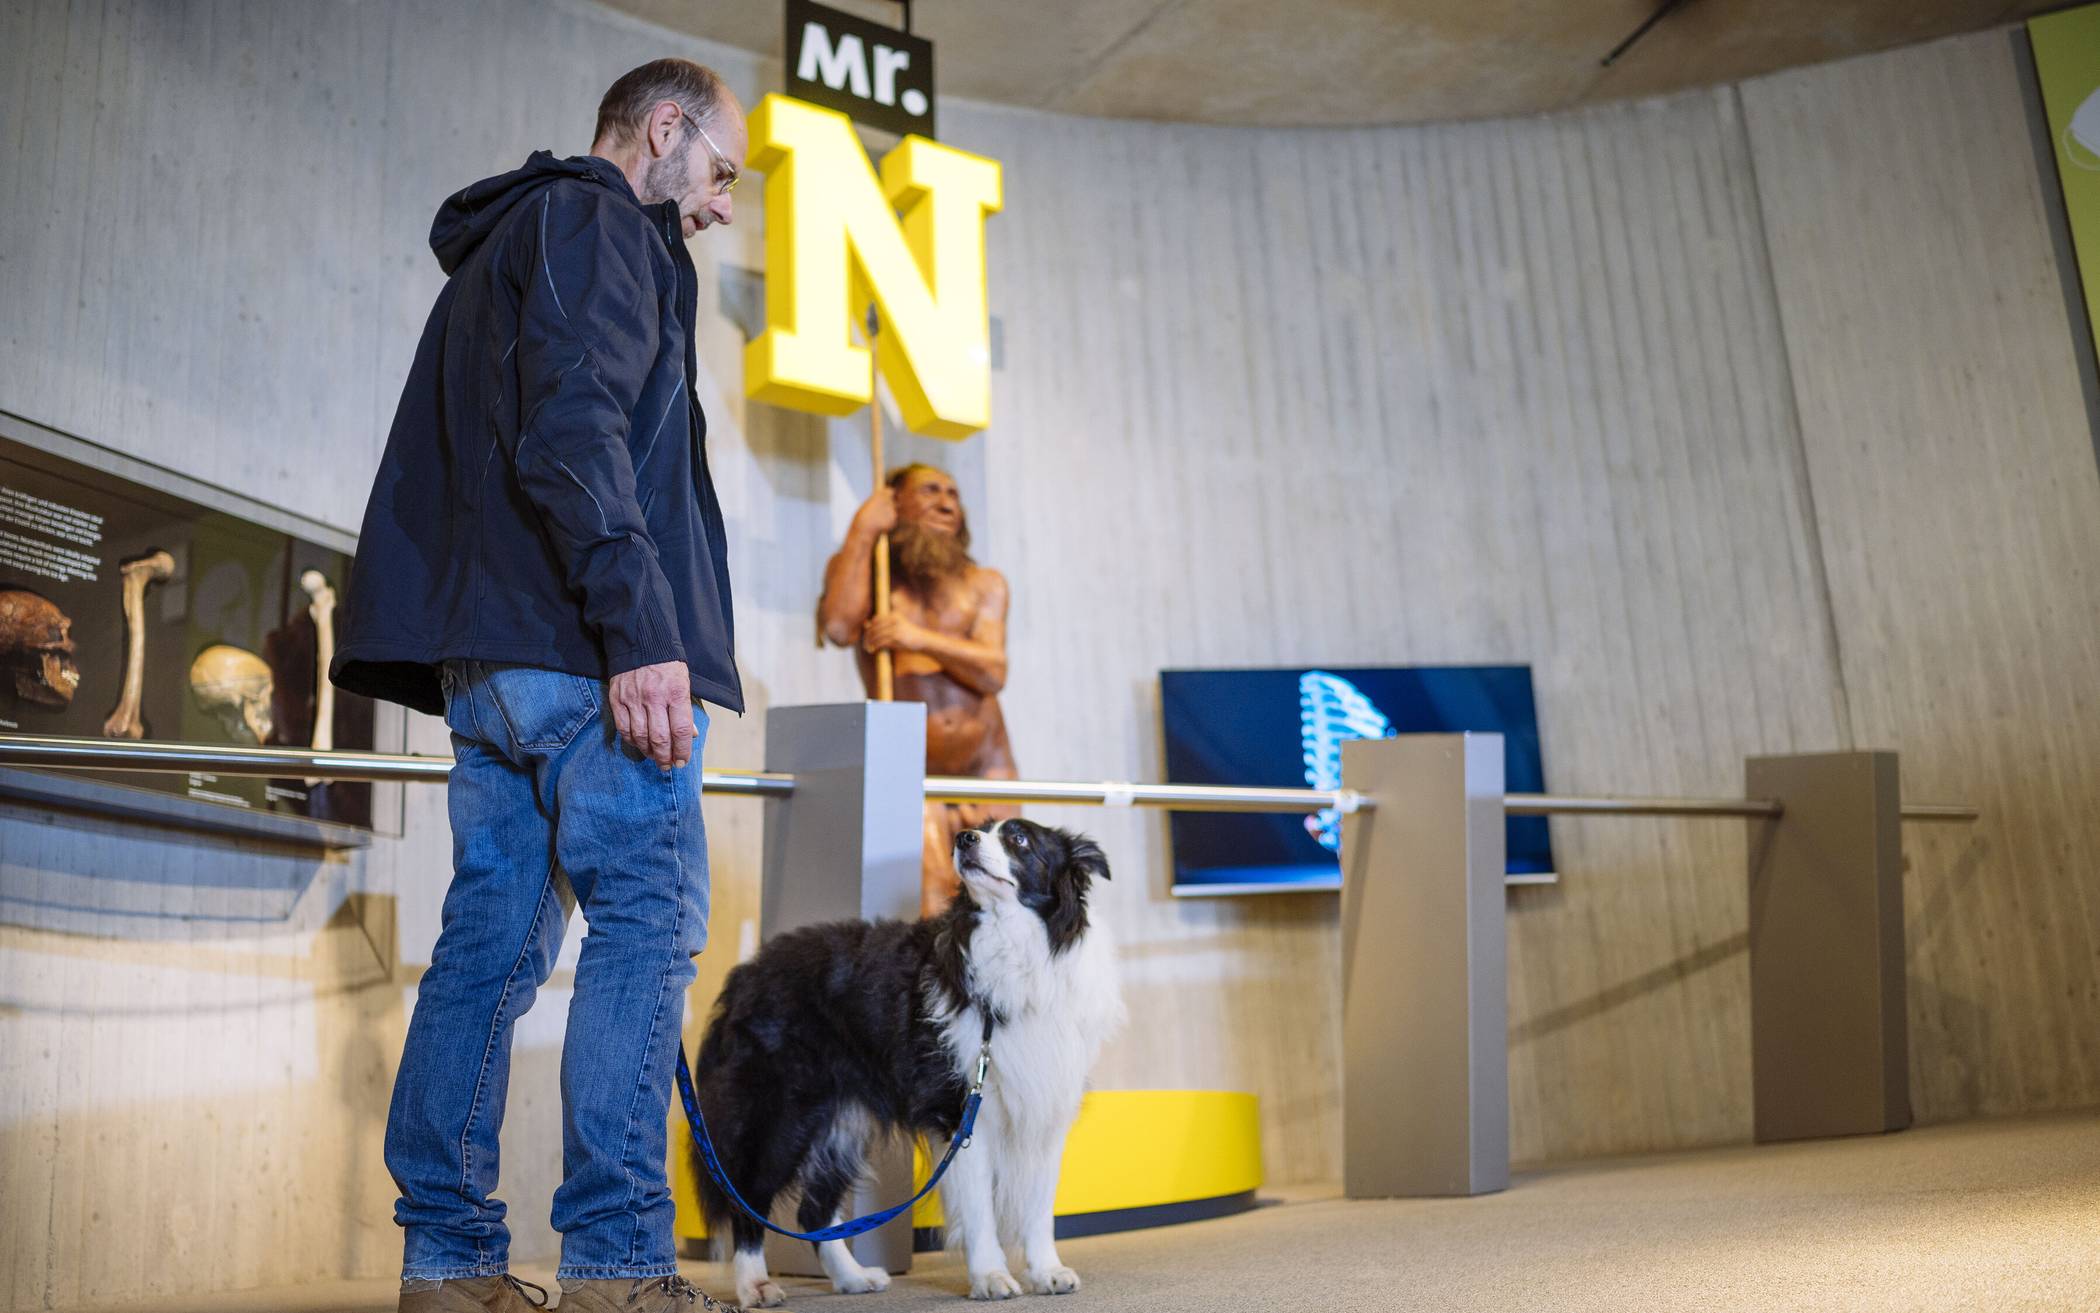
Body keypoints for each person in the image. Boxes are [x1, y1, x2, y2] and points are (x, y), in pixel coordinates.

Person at [330, 58, 746, 1313]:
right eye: (721, 170)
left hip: (493, 662)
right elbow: (576, 427)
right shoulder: (599, 221)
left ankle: (448, 1264)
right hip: (579, 648)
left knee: (490, 947)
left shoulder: (508, 248)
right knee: (651, 916)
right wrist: (642, 629)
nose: (720, 206)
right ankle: (621, 1262)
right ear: (664, 129)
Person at [817, 464, 1018, 915]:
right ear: (895, 503)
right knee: (929, 900)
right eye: (930, 491)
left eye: (953, 493)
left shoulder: (985, 583)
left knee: (1004, 895)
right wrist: (864, 527)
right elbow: (838, 625)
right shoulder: (873, 575)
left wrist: (916, 638)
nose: (947, 503)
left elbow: (993, 671)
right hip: (910, 767)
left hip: (986, 765)